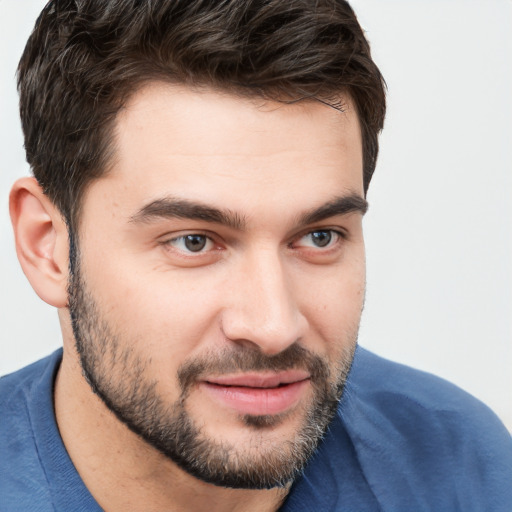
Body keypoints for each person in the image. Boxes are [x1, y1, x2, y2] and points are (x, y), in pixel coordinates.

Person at [1, 0, 511, 510]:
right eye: (193, 242)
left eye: (319, 237)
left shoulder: (458, 466)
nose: (274, 327)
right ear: (47, 246)